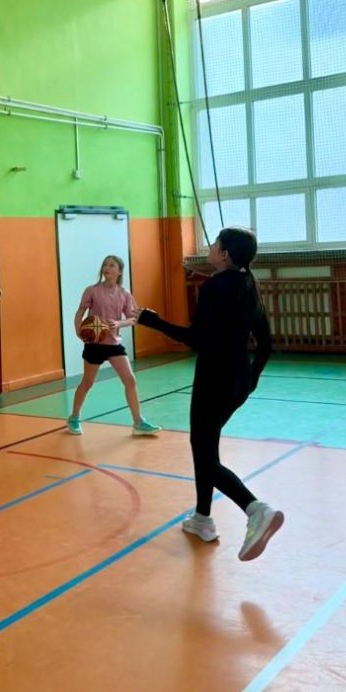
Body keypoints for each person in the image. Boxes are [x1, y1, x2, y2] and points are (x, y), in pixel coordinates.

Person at [129, 226, 283, 562]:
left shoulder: (215, 287)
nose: (211, 248)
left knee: (204, 455)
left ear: (224, 255)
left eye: (215, 244)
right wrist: (252, 378)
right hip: (238, 381)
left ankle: (255, 509)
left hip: (213, 380)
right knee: (205, 447)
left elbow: (196, 339)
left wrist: (153, 322)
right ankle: (202, 518)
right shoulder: (249, 283)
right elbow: (266, 343)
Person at [67, 255, 161, 438]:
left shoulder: (124, 294)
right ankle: (74, 417)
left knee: (130, 380)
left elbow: (133, 318)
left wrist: (119, 323)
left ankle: (138, 422)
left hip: (114, 344)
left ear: (119, 271)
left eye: (111, 265)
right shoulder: (92, 291)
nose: (107, 268)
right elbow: (80, 312)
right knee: (87, 382)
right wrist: (79, 330)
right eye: (105, 265)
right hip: (95, 344)